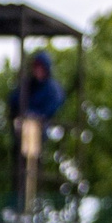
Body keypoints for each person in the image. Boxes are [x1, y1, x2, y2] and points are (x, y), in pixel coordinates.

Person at [8, 51, 66, 210]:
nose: (37, 71)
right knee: (19, 169)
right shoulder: (27, 85)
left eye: (40, 68)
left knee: (33, 170)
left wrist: (36, 116)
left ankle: (32, 206)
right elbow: (13, 100)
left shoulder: (52, 88)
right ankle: (17, 206)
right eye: (35, 67)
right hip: (22, 134)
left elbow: (54, 105)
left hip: (37, 135)